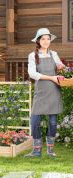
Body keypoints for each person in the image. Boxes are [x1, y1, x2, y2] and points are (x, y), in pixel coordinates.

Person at [24, 28, 65, 158]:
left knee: (53, 123)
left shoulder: (54, 54)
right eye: (43, 38)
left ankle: (50, 150)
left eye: (48, 38)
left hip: (54, 91)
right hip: (41, 92)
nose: (46, 41)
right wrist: (51, 77)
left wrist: (61, 67)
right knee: (35, 121)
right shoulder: (32, 55)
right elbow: (32, 74)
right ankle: (36, 151)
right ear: (38, 41)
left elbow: (59, 65)